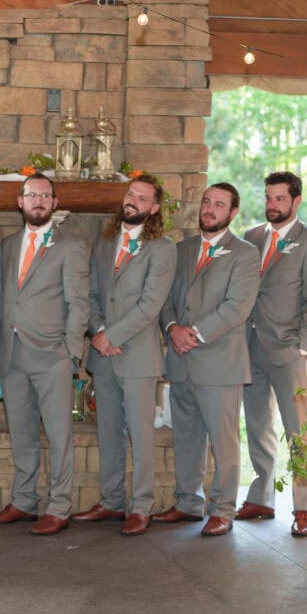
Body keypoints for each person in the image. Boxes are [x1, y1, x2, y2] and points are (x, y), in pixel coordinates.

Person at [0, 174, 90, 536]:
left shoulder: (71, 246)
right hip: (11, 354)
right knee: (23, 432)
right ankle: (24, 501)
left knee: (59, 436)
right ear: (20, 201)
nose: (39, 201)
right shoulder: (7, 245)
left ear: (55, 204)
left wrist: (71, 352)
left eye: (46, 196)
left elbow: (79, 302)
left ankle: (59, 506)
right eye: (32, 195)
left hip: (52, 356)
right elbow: (0, 301)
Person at [156, 183, 260, 537]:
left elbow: (236, 307)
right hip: (181, 361)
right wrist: (172, 328)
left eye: (219, 204)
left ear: (232, 213)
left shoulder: (245, 254)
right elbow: (166, 299)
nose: (210, 209)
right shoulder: (181, 250)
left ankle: (223, 510)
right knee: (186, 436)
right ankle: (188, 503)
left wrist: (194, 334)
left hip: (219, 362)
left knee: (223, 441)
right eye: (206, 202)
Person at [76, 175, 175, 536]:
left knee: (140, 434)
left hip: (138, 356)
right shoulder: (105, 242)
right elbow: (90, 293)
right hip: (103, 356)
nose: (134, 201)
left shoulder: (163, 249)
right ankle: (111, 500)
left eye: (143, 197)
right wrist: (98, 333)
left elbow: (151, 305)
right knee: (108, 432)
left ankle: (142, 506)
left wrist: (111, 336)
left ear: (154, 208)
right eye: (131, 194)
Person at [238, 171, 307, 538]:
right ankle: (261, 496)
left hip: (290, 350)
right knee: (258, 426)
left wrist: (303, 347)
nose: (272, 205)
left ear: (296, 201)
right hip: (248, 347)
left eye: (279, 199)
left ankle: (304, 508)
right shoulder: (251, 237)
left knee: (299, 432)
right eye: (268, 198)